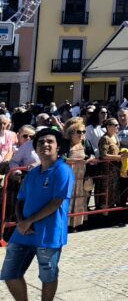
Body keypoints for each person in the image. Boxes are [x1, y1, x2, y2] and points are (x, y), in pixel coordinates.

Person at [0, 128, 74, 301]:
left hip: (49, 233)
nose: (45, 145)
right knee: (10, 274)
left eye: (50, 141)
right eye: (40, 142)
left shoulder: (63, 170)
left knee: (48, 276)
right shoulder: (32, 173)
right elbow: (20, 200)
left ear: (58, 147)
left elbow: (57, 202)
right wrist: (21, 222)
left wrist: (29, 221)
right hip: (23, 233)